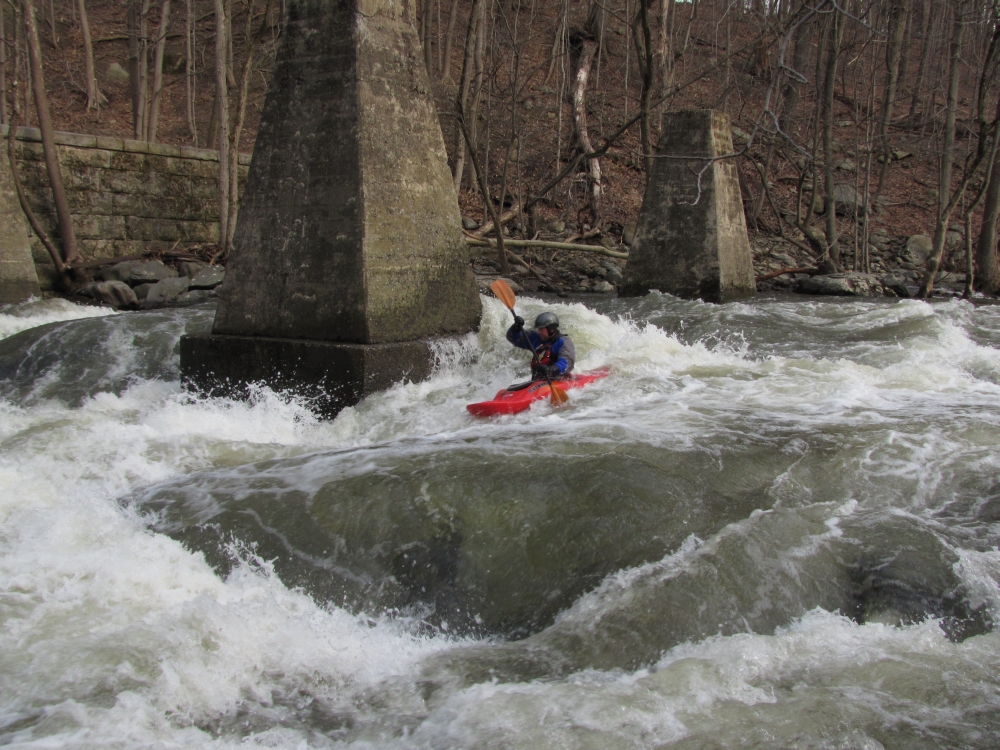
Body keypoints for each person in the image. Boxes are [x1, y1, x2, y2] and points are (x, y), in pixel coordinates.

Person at [507, 311, 575, 381]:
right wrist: (515, 329)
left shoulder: (563, 341)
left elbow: (567, 362)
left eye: (541, 329)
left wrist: (551, 369)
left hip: (557, 380)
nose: (539, 331)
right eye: (538, 329)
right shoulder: (536, 337)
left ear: (551, 329)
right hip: (538, 381)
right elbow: (513, 338)